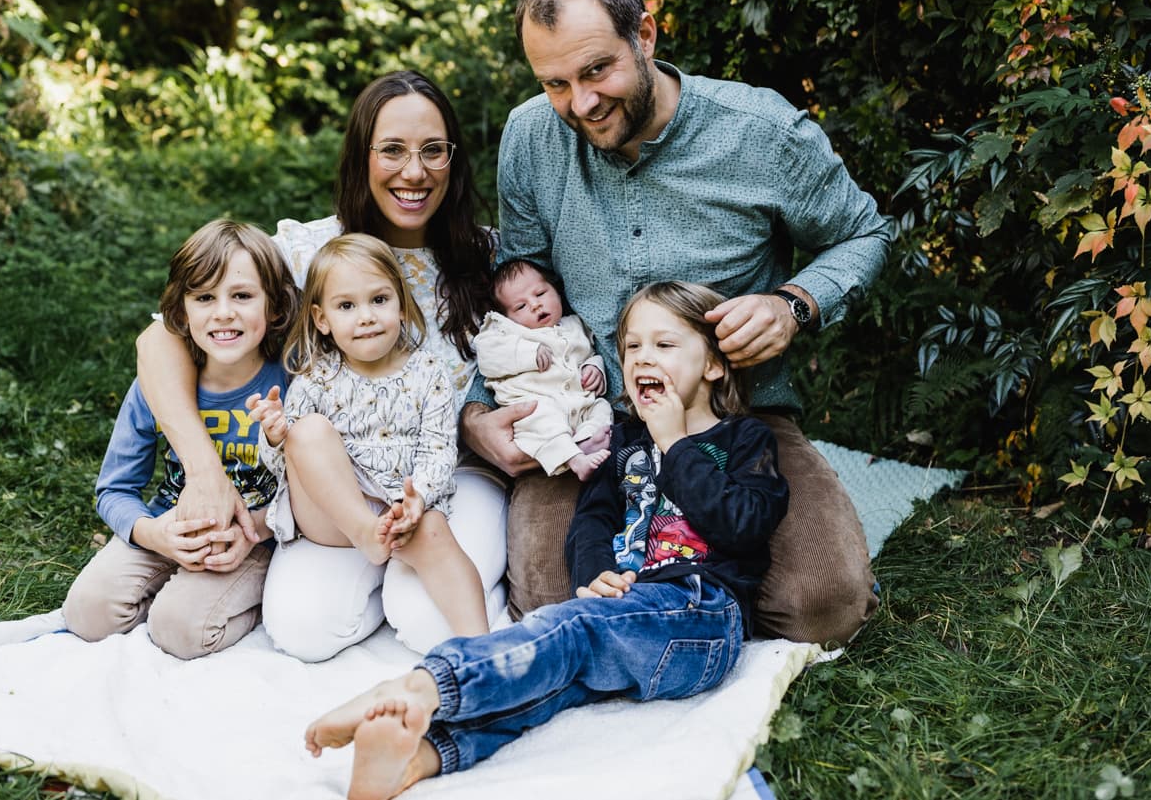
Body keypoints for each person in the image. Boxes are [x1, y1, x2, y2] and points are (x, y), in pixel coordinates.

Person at [460, 0, 890, 646]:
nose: (580, 103)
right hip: (590, 418)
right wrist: (478, 411)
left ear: (645, 34)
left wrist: (793, 303)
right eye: (555, 84)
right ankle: (684, 588)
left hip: (734, 415)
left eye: (597, 70)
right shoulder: (531, 137)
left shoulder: (761, 132)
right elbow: (521, 284)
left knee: (824, 604)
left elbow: (864, 232)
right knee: (549, 594)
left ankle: (690, 584)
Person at [306, 281, 789, 800]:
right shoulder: (625, 441)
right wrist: (594, 574)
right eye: (632, 346)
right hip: (627, 608)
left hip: (703, 616)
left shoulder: (744, 440)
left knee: (570, 631)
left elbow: (744, 524)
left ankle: (423, 686)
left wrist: (673, 442)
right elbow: (593, 520)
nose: (644, 357)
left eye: (664, 344)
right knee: (555, 680)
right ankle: (419, 757)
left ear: (713, 365)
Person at [136, 70, 506, 660]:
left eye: (433, 150)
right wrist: (204, 472)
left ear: (453, 160)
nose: (414, 172)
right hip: (338, 484)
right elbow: (162, 338)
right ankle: (378, 572)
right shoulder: (309, 253)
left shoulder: (486, 257)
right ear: (361, 156)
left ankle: (446, 600)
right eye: (392, 150)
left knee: (429, 624)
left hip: (448, 476)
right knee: (304, 628)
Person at [63, 219, 296, 659]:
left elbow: (310, 494)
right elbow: (114, 489)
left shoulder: (290, 383)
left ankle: (247, 604)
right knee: (87, 613)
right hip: (170, 526)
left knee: (181, 630)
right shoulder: (158, 385)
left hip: (252, 542)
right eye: (204, 297)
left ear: (275, 306)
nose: (223, 312)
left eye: (242, 296)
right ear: (181, 311)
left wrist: (255, 531)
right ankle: (174, 589)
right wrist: (153, 534)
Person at [251, 233, 489, 641]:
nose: (366, 317)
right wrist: (275, 436)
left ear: (401, 305)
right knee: (306, 431)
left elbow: (437, 451)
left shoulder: (427, 373)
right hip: (334, 516)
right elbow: (284, 467)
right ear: (322, 319)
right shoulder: (315, 379)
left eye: (379, 300)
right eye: (346, 306)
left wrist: (417, 500)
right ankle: (366, 532)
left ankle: (482, 646)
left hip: (400, 508)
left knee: (435, 534)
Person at [472, 258, 612, 481]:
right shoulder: (505, 333)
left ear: (556, 291)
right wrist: (528, 352)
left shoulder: (576, 325)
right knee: (544, 419)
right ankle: (575, 460)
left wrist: (594, 368)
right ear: (507, 318)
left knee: (602, 408)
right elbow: (488, 356)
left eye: (540, 294)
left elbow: (590, 352)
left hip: (579, 403)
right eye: (520, 306)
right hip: (536, 405)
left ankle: (587, 439)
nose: (535, 305)